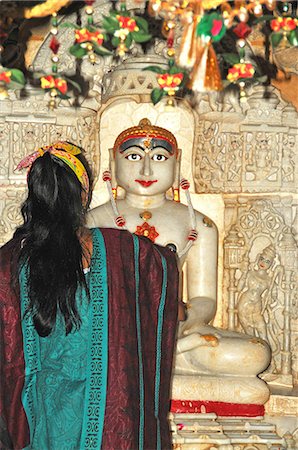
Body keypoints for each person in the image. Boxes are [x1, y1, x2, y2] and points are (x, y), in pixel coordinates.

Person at [0, 141, 179, 450]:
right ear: (83, 195)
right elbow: (162, 267)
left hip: (40, 415)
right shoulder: (125, 252)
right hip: (108, 413)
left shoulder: (9, 262)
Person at [87, 119, 272, 408]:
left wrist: (188, 327)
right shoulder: (91, 222)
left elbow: (203, 298)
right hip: (112, 333)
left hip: (175, 332)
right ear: (113, 161)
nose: (146, 170)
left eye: (159, 157)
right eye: (133, 156)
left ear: (177, 163)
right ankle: (153, 370)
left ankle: (149, 369)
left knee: (254, 354)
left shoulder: (199, 224)